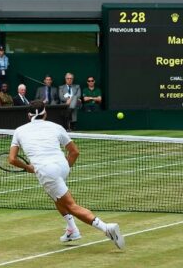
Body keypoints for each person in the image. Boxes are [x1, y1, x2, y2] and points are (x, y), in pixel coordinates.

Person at [8, 100, 124, 248]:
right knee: (57, 197)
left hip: (46, 170)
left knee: (71, 205)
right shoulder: (57, 127)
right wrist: (64, 168)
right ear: (45, 113)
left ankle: (106, 228)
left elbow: (12, 159)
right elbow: (74, 152)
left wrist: (28, 167)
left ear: (28, 115)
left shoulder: (19, 131)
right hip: (62, 165)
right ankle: (72, 229)